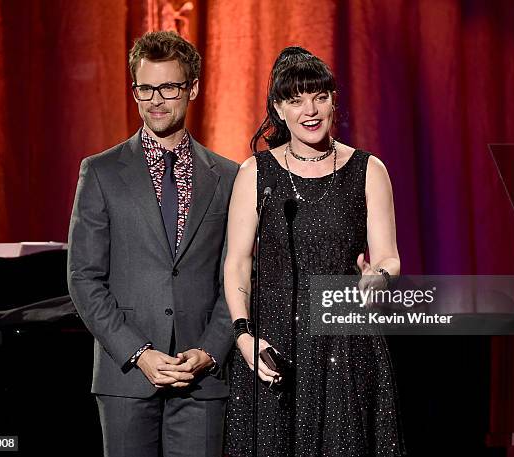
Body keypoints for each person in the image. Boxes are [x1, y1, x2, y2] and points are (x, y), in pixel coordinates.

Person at [223, 47, 405, 456]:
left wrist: (380, 277)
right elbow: (237, 261)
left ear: (332, 101)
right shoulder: (256, 173)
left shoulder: (368, 169)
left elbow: (389, 256)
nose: (310, 109)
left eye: (319, 97)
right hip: (274, 346)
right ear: (278, 109)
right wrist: (242, 335)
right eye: (296, 99)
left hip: (345, 342)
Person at [67, 31, 239, 457]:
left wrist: (209, 351)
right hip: (125, 377)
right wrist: (139, 353)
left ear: (193, 88)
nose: (156, 99)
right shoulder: (101, 172)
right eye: (145, 87)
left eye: (169, 87)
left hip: (201, 379)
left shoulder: (229, 176)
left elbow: (237, 276)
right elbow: (83, 278)